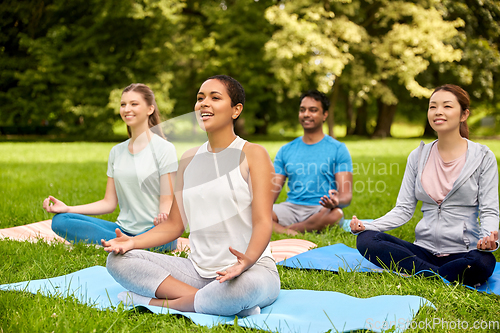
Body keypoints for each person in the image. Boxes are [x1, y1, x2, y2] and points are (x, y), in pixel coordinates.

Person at [102, 75, 280, 316]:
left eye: (215, 98)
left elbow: (263, 221)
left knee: (243, 289)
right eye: (200, 99)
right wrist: (132, 242)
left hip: (251, 269)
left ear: (235, 110)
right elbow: (174, 225)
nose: (203, 103)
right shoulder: (188, 159)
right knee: (117, 260)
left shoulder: (253, 154)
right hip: (197, 272)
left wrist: (245, 262)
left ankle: (160, 303)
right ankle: (214, 303)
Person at [351, 84, 499, 287]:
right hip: (423, 250)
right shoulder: (418, 156)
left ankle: (422, 273)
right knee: (366, 240)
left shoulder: (483, 157)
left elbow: (490, 210)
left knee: (481, 264)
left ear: (464, 114)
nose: (438, 112)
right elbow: (403, 210)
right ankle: (439, 275)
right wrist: (368, 226)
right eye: (433, 106)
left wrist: (488, 240)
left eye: (447, 106)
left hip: (465, 253)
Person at [42, 83, 178, 251]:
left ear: (150, 109)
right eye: (123, 104)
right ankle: (124, 243)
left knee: (165, 237)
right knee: (61, 220)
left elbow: (167, 201)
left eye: (134, 104)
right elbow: (109, 203)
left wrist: (163, 219)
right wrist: (68, 208)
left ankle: (124, 244)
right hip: (121, 230)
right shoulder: (117, 151)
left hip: (155, 232)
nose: (127, 109)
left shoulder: (165, 149)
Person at [272, 90, 353, 235]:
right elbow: (271, 193)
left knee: (337, 214)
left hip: (321, 210)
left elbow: (346, 196)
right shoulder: (286, 150)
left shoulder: (338, 149)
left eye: (313, 110)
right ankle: (300, 230)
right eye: (302, 110)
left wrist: (336, 201)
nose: (306, 114)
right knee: (255, 212)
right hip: (291, 208)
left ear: (325, 115)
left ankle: (285, 231)